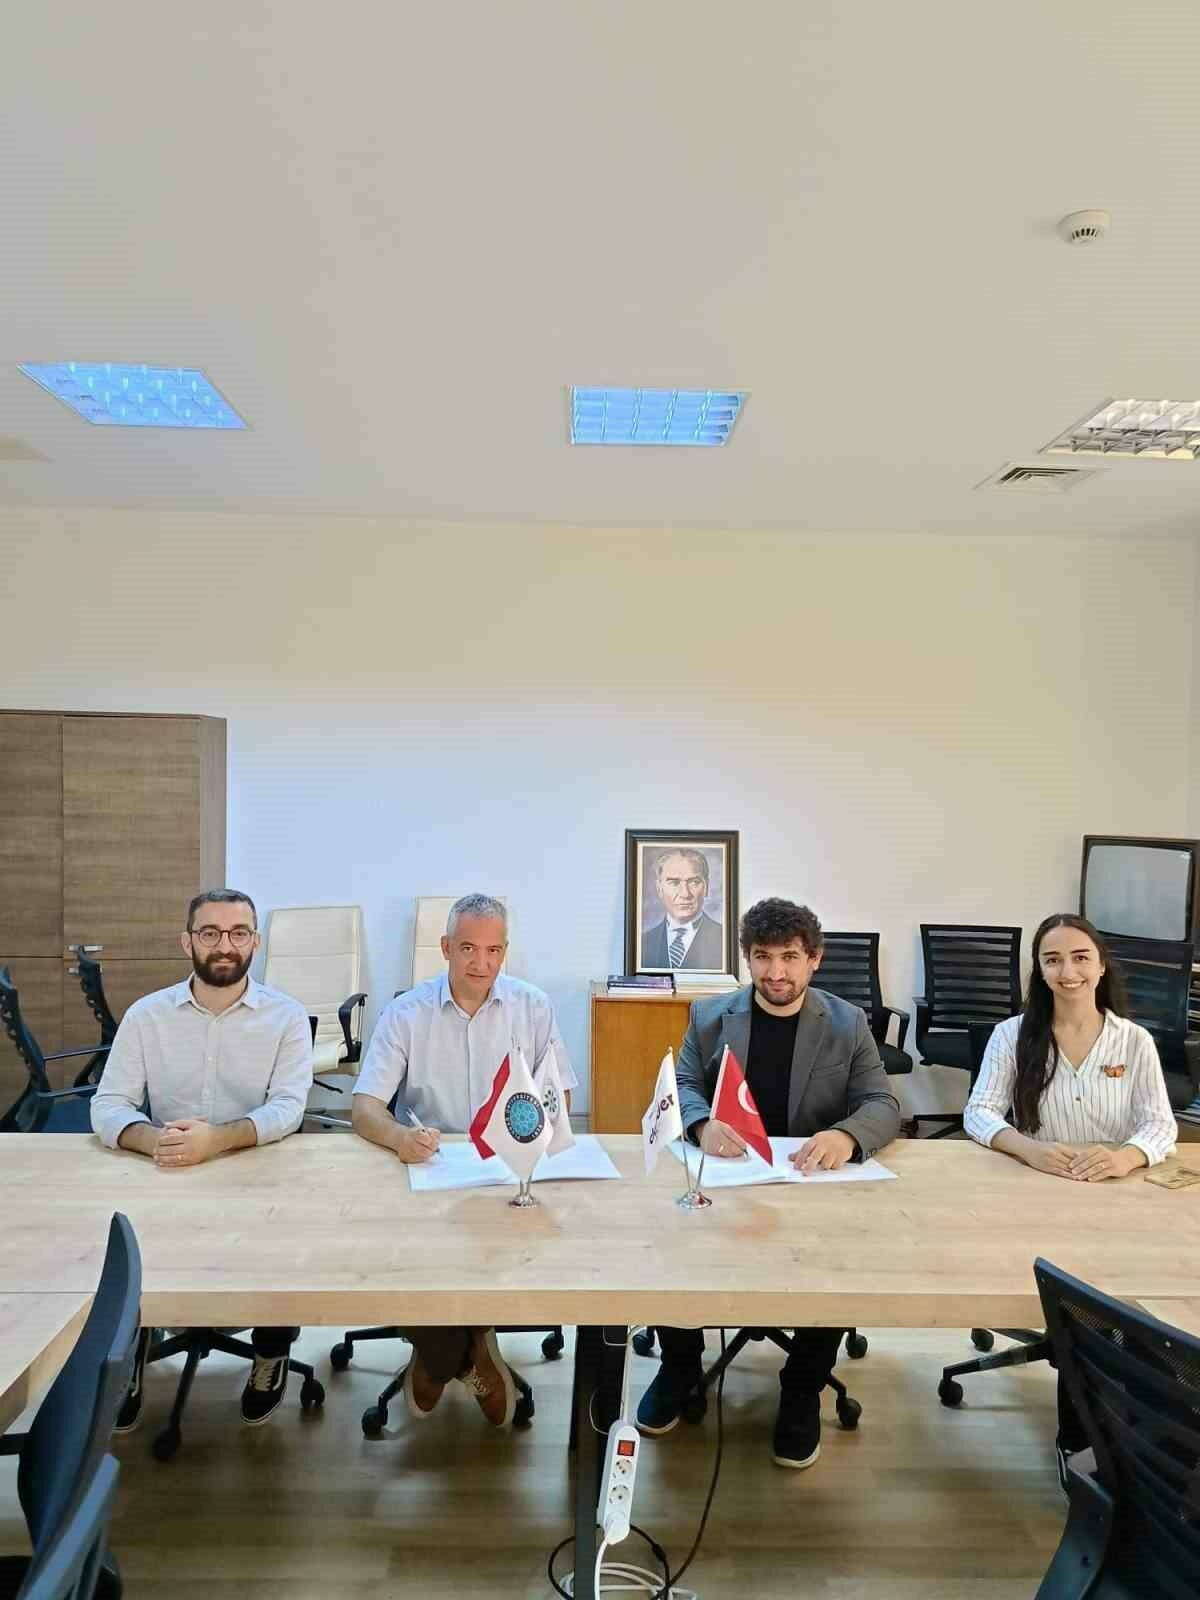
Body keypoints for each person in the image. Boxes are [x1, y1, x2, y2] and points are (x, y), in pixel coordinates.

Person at [636, 897, 901, 1468]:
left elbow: (882, 1103)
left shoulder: (848, 1022)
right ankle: (679, 1365)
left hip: (809, 1181)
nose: (776, 972)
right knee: (664, 1236)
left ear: (815, 960)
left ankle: (802, 1386)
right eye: (762, 957)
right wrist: (701, 1124)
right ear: (747, 958)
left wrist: (847, 1136)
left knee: (838, 1261)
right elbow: (683, 1084)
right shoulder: (710, 1017)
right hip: (728, 1179)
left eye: (790, 958)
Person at [963, 912, 1176, 1480]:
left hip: (1116, 1200)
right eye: (1053, 960)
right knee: (1085, 1311)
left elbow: (1160, 1125)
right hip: (1037, 1196)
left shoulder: (1133, 1041)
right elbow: (979, 1112)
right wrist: (1027, 1148)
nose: (1068, 971)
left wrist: (1126, 1156)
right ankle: (1080, 1446)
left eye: (1080, 957)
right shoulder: (1013, 1035)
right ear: (1039, 970)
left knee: (1141, 1315)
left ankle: (1151, 1445)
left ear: (1101, 965)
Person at [90, 888, 313, 1429]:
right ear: (186, 941)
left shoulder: (285, 1017)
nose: (224, 945)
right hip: (169, 1167)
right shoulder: (147, 1015)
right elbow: (109, 1104)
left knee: (284, 1241)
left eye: (238, 933)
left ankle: (271, 1352)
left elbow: (288, 1107)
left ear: (255, 942)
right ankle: (130, 1354)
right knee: (129, 1249)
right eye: (210, 932)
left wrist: (218, 1140)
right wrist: (154, 1141)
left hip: (255, 1169)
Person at [352, 893, 577, 1428]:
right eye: (469, 948)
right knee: (420, 1256)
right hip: (432, 1165)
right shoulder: (406, 1013)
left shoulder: (532, 1006)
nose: (482, 963)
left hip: (508, 1165)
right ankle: (470, 1354)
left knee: (501, 1243)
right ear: (446, 947)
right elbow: (364, 1108)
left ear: (505, 952)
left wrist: (532, 1136)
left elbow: (559, 1095)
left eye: (494, 950)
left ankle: (439, 1357)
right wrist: (399, 1138)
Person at [641, 848, 726, 970]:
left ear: (706, 887)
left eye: (694, 882)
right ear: (659, 889)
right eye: (674, 883)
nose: (685, 894)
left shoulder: (725, 940)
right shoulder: (642, 943)